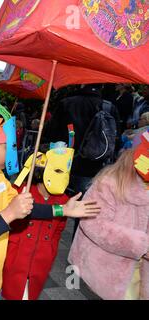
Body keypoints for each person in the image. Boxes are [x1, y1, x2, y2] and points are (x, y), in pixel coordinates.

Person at [0, 105, 100, 300]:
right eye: (6, 146)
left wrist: (62, 209)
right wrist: (9, 213)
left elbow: (24, 208)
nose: (10, 153)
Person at [68, 132, 149, 300]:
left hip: (140, 272)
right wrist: (141, 245)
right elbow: (93, 222)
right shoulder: (109, 182)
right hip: (108, 267)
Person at [2, 137, 80, 300]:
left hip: (41, 262)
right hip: (16, 259)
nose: (63, 176)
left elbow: (58, 231)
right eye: (58, 170)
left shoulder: (64, 201)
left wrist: (50, 251)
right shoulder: (20, 192)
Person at [44, 84, 120, 235]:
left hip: (62, 162)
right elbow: (115, 140)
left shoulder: (67, 103)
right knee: (85, 210)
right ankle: (75, 248)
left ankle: (47, 238)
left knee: (54, 203)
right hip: (94, 166)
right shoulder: (109, 107)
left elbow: (52, 133)